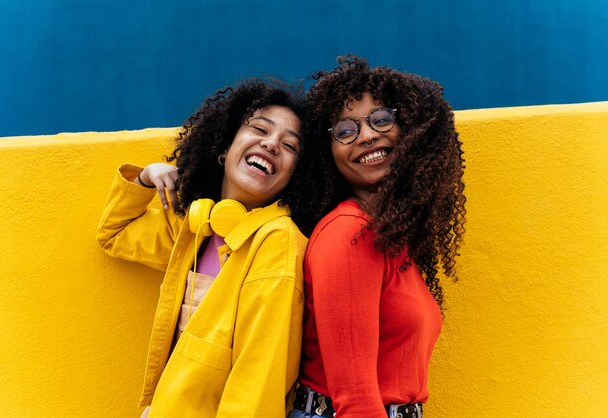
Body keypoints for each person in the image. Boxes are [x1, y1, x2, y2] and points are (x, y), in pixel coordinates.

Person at [97, 79, 322, 417]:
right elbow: (113, 234)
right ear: (225, 144)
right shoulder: (196, 224)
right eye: (260, 128)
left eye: (290, 146)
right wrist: (146, 178)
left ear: (296, 176)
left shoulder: (277, 241)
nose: (272, 143)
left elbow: (257, 383)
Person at [290, 56, 467, 418]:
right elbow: (355, 400)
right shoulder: (349, 234)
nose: (367, 135)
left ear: (413, 129)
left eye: (382, 119)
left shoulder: (390, 235)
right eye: (345, 130)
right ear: (330, 153)